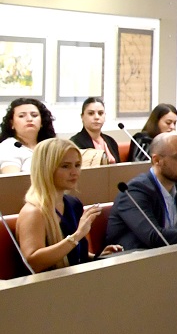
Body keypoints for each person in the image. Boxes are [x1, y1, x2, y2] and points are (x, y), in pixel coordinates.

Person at [16, 138, 120, 271]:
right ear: (46, 168)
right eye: (65, 166)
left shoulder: (73, 204)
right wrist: (77, 235)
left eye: (77, 165)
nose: (74, 172)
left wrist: (97, 257)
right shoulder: (33, 212)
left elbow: (72, 256)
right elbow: (33, 263)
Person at [0, 97, 53, 174]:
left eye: (34, 115)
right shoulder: (8, 147)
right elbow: (12, 179)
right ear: (12, 123)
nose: (29, 119)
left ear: (42, 122)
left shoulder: (50, 145)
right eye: (21, 116)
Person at [69, 97, 121, 165]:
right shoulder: (74, 143)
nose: (96, 117)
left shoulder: (111, 141)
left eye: (100, 113)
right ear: (82, 117)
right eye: (91, 113)